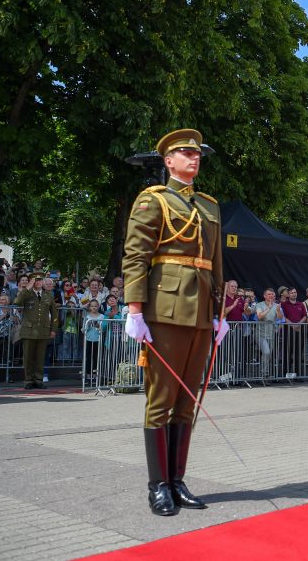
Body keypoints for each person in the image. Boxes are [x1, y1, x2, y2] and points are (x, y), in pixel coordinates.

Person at [121, 128, 225, 517]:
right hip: (164, 308)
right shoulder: (154, 201)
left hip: (200, 312)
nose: (193, 159)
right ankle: (158, 485)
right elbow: (136, 256)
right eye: (184, 154)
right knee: (161, 400)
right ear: (168, 161)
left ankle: (178, 480)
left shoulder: (210, 206)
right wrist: (135, 310)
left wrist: (219, 315)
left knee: (187, 402)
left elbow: (216, 263)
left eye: (196, 154)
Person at [13, 272, 59, 389]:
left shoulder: (48, 295)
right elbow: (17, 302)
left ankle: (38, 380)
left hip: (43, 330)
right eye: (35, 280)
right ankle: (28, 380)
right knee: (28, 358)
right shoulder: (27, 294)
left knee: (40, 357)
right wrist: (27, 287)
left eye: (40, 280)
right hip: (29, 331)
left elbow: (54, 314)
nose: (38, 282)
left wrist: (53, 329)